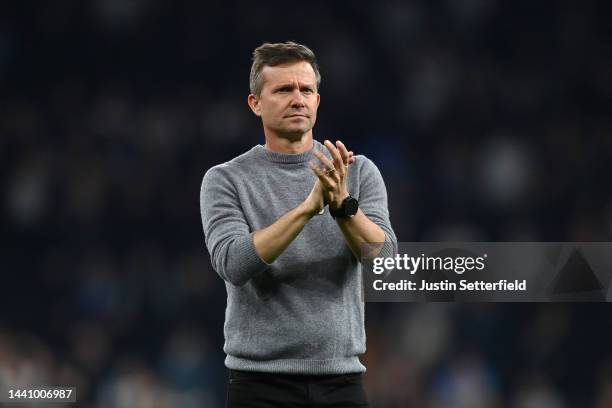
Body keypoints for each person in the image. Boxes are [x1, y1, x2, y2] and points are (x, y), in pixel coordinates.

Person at [200, 41, 397, 407]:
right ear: (255, 103)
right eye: (283, 90)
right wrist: (307, 208)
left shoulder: (356, 172)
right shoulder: (226, 179)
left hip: (342, 382)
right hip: (259, 384)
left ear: (318, 101)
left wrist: (342, 206)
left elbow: (384, 260)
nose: (297, 98)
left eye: (306, 90)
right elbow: (233, 263)